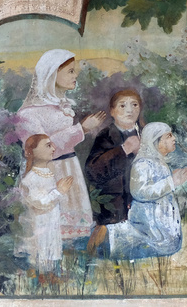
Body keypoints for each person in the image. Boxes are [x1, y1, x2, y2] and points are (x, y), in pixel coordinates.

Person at [16, 49, 106, 240]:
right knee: (48, 226)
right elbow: (41, 149)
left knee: (75, 228)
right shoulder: (28, 114)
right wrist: (81, 129)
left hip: (68, 167)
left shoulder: (61, 105)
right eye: (70, 71)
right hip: (46, 172)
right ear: (52, 74)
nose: (76, 75)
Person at [87, 122, 187, 259]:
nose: (174, 139)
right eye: (169, 136)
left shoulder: (158, 162)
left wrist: (175, 180)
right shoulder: (142, 163)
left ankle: (110, 241)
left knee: (171, 244)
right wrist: (171, 182)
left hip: (159, 217)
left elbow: (161, 186)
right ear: (155, 141)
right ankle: (109, 233)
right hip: (148, 218)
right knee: (160, 243)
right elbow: (139, 192)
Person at [14, 134, 74, 273]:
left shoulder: (48, 172)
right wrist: (58, 191)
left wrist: (60, 192)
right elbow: (39, 204)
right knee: (38, 262)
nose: (53, 148)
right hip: (38, 226)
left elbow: (54, 201)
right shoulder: (30, 178)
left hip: (50, 224)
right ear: (32, 151)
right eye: (48, 145)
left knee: (49, 262)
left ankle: (48, 277)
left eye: (52, 144)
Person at [85, 89, 143, 225]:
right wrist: (124, 150)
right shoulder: (106, 136)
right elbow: (93, 171)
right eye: (122, 106)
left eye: (134, 105)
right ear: (112, 111)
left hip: (140, 202)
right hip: (113, 207)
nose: (129, 110)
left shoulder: (145, 134)